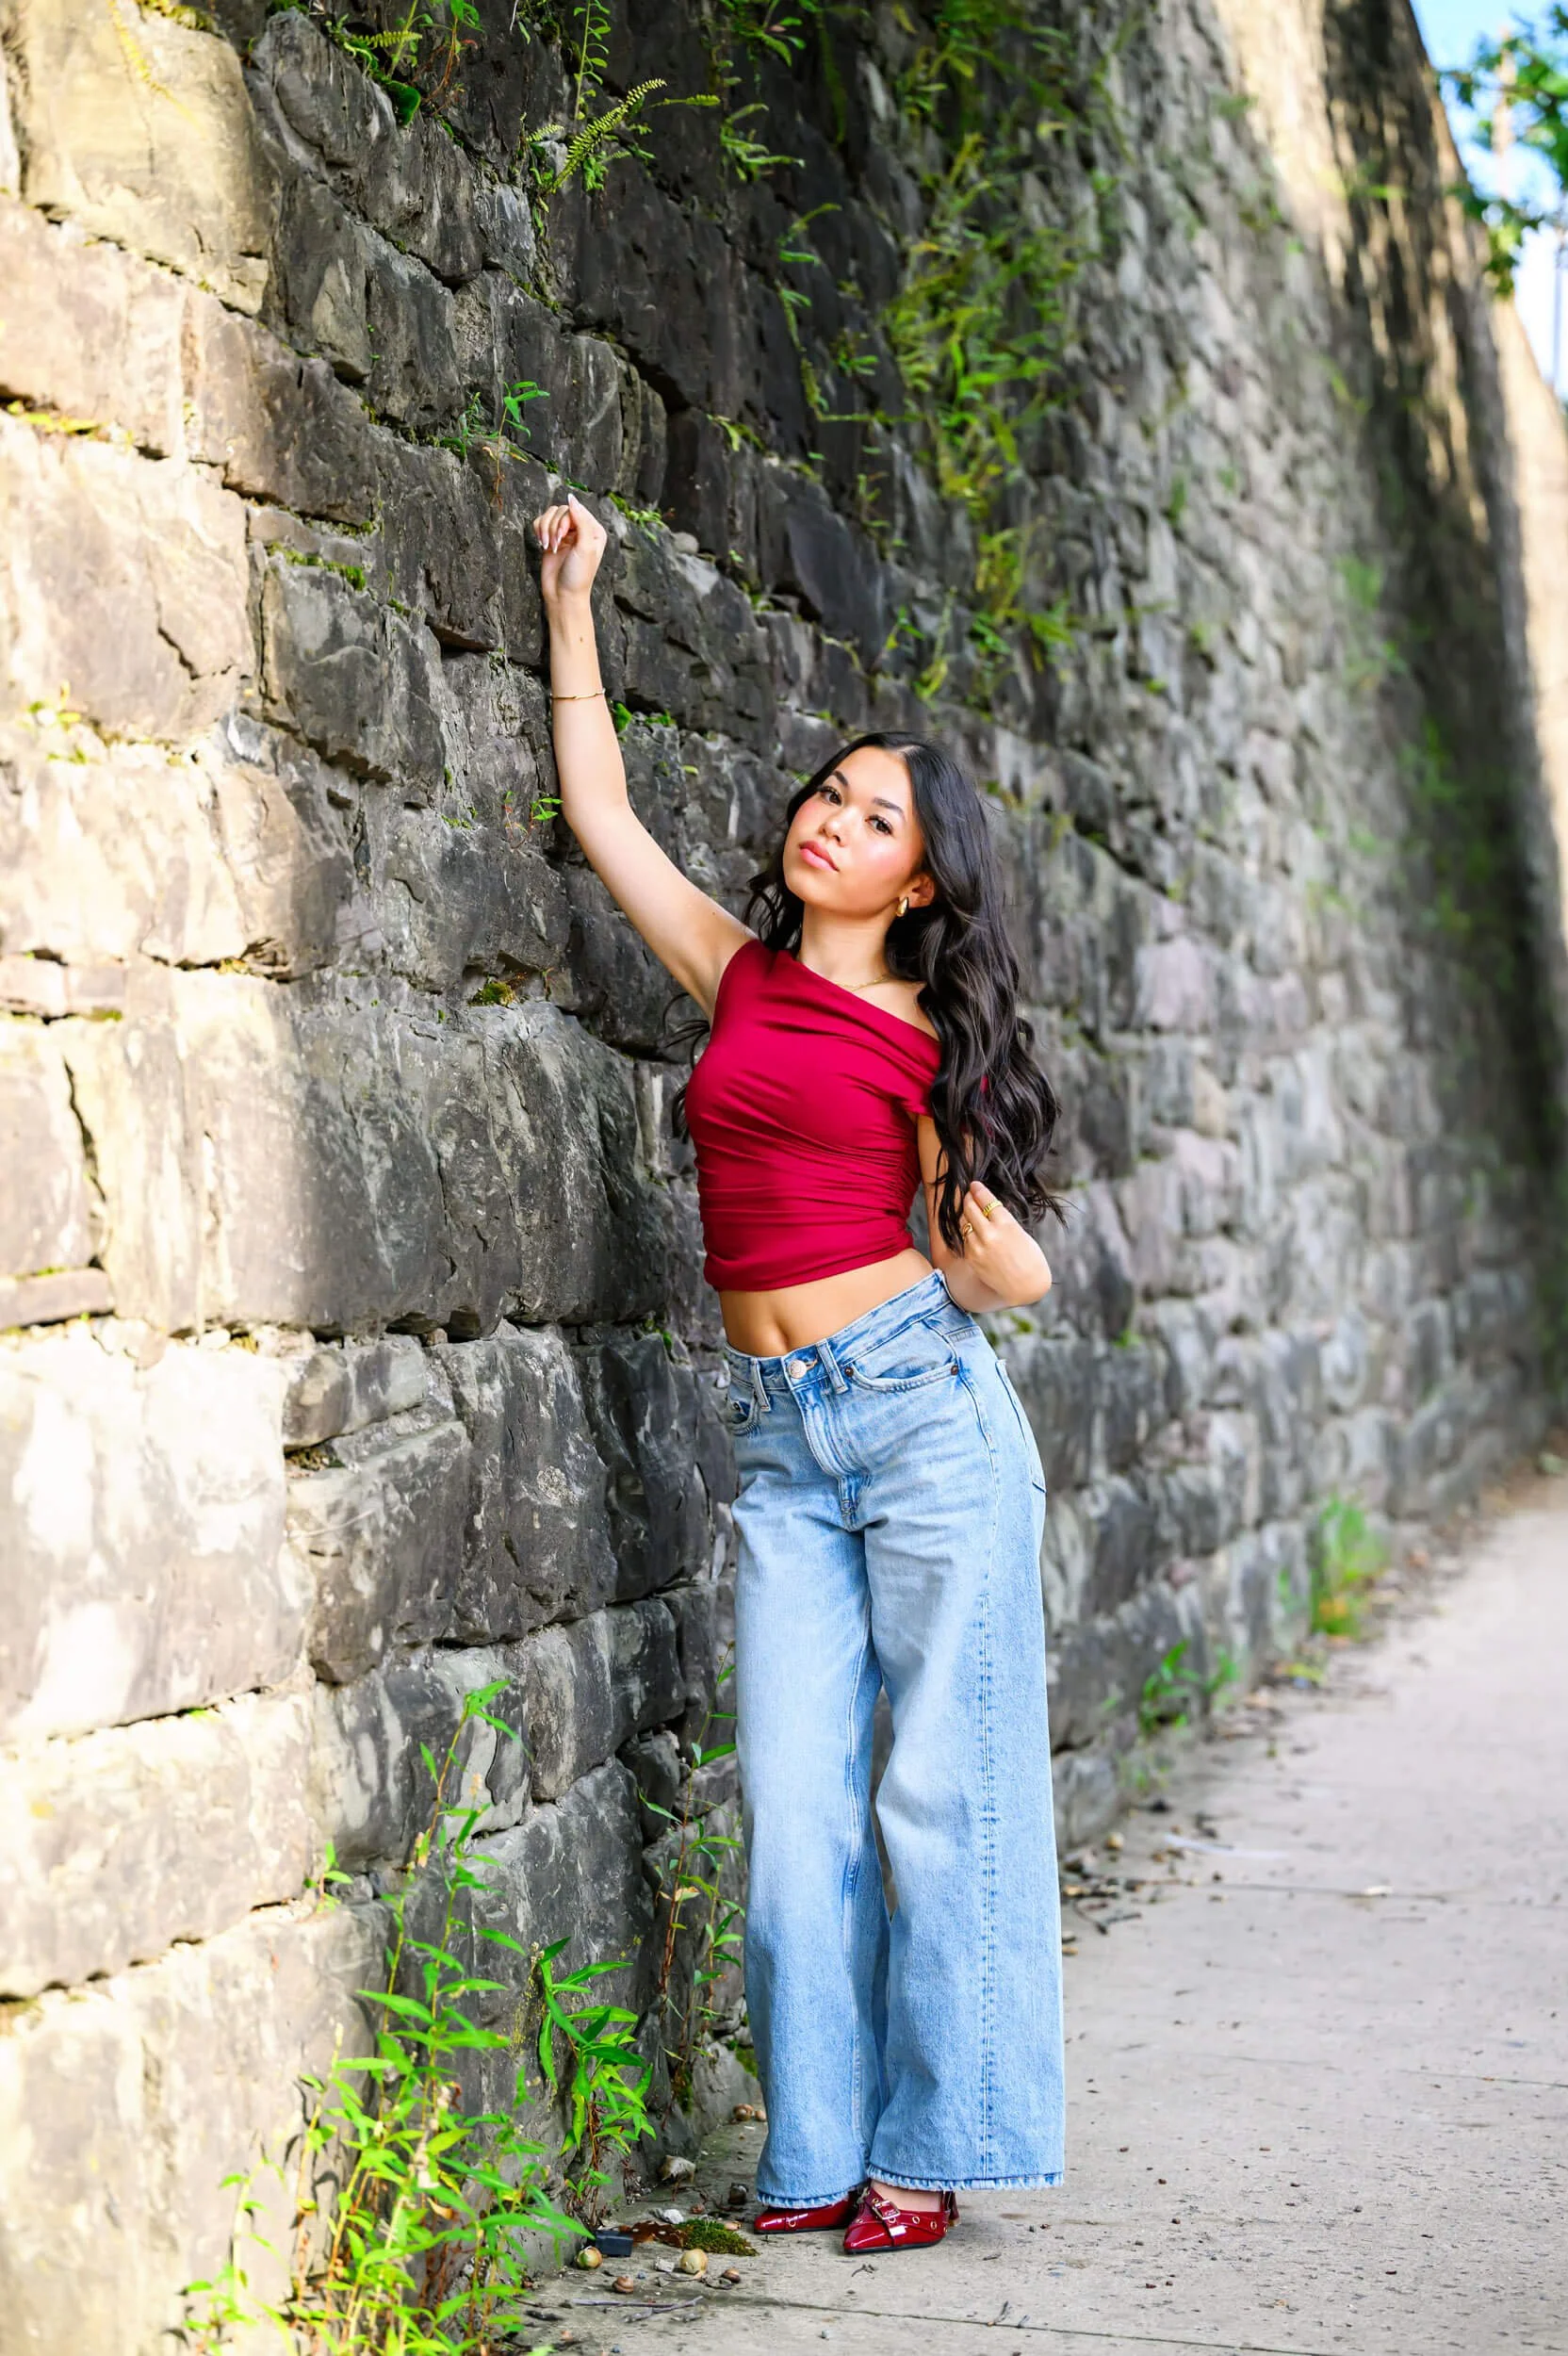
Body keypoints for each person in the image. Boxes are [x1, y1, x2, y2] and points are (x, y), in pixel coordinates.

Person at [533, 491, 1065, 2255]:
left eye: (873, 815)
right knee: (793, 1824)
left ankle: (929, 2150)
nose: (830, 820)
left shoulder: (929, 1043)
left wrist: (954, 1230)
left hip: (922, 1421)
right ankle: (812, 2150)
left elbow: (1015, 1271)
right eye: (826, 794)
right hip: (784, 1447)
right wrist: (573, 608)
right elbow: (600, 813)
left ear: (921, 876)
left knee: (934, 1799)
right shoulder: (738, 971)